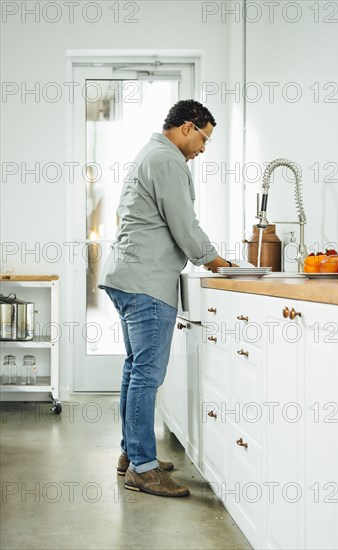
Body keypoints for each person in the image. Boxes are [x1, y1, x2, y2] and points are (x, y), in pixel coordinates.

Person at [98, 100, 236, 498]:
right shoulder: (168, 160)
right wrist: (217, 261)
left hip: (128, 276)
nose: (204, 149)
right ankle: (143, 468)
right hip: (147, 282)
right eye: (204, 139)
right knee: (146, 374)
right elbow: (184, 223)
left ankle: (133, 455)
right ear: (188, 128)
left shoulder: (151, 153)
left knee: (134, 369)